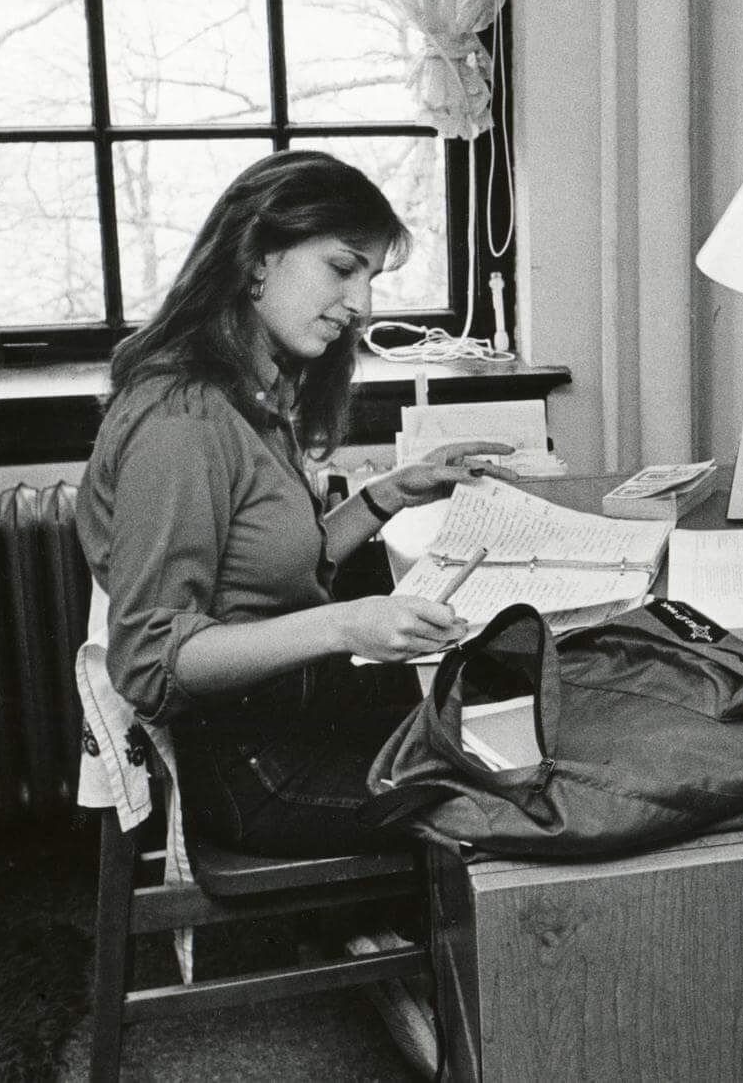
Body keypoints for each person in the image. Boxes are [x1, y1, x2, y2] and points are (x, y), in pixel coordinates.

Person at [77, 149, 513, 855]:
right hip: (257, 771)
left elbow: (265, 568)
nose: (363, 304)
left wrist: (388, 495)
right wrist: (344, 627)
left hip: (294, 716)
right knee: (521, 788)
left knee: (501, 712)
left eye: (371, 277)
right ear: (257, 259)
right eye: (344, 268)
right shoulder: (182, 422)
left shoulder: (249, 394)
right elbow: (152, 663)